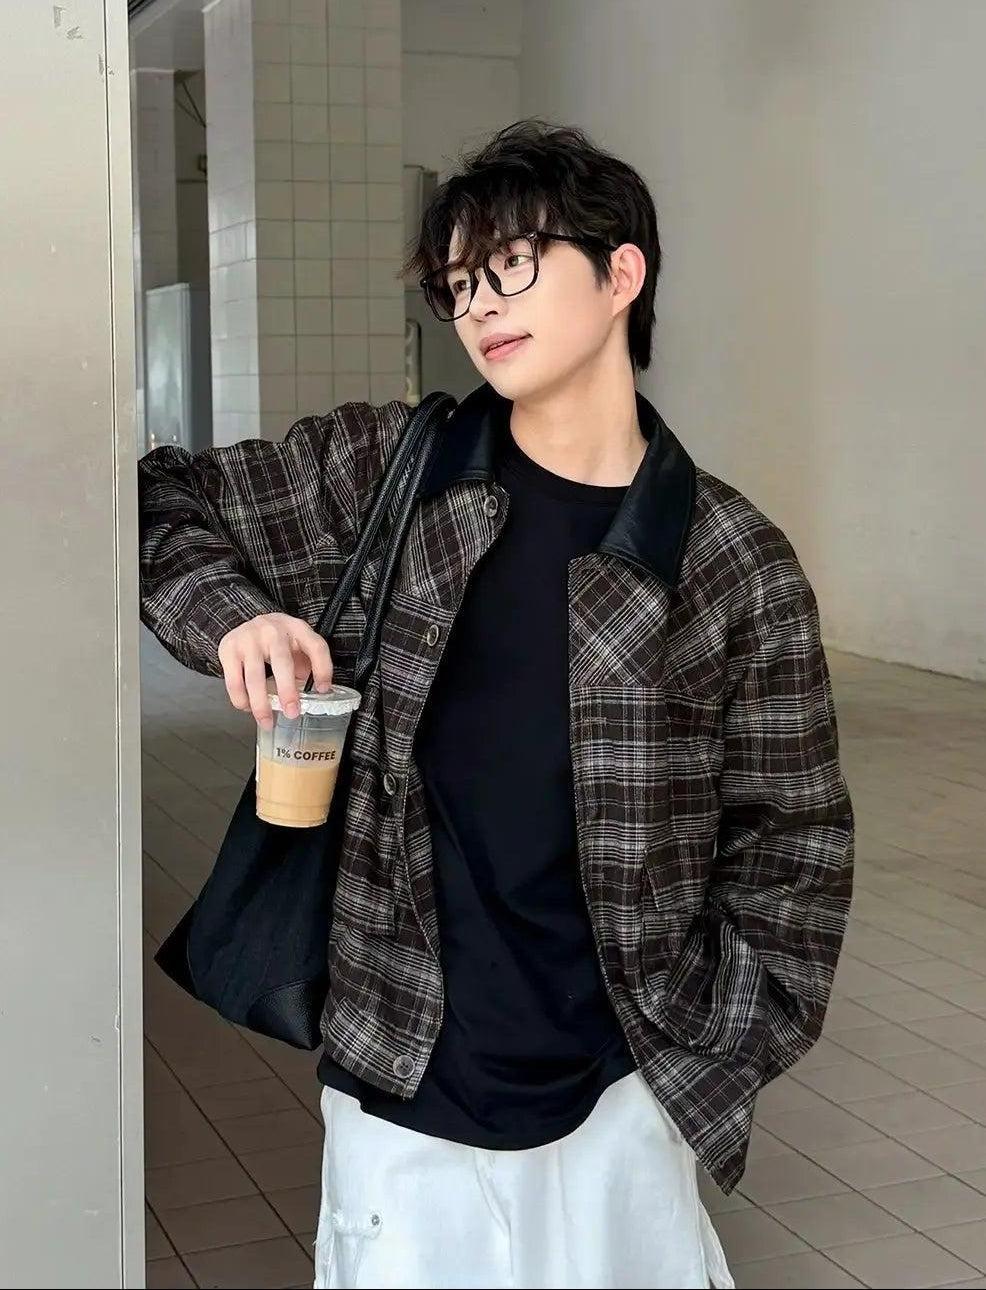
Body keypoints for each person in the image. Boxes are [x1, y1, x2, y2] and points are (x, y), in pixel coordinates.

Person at [138, 119, 854, 1289]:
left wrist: (704, 1044)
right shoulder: (392, 472)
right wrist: (233, 616)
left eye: (511, 264)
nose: (477, 305)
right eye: (458, 281)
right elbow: (154, 497)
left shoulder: (727, 559)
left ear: (620, 274)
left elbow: (794, 837)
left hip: (621, 1087)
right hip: (401, 1067)